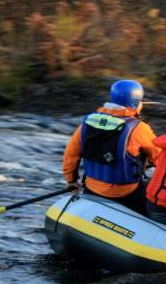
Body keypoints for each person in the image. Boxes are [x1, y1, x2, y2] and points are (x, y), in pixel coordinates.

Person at [62, 79, 160, 213]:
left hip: (92, 189)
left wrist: (71, 180)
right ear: (136, 102)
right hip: (125, 193)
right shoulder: (139, 128)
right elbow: (159, 159)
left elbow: (71, 154)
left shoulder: (88, 121)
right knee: (154, 203)